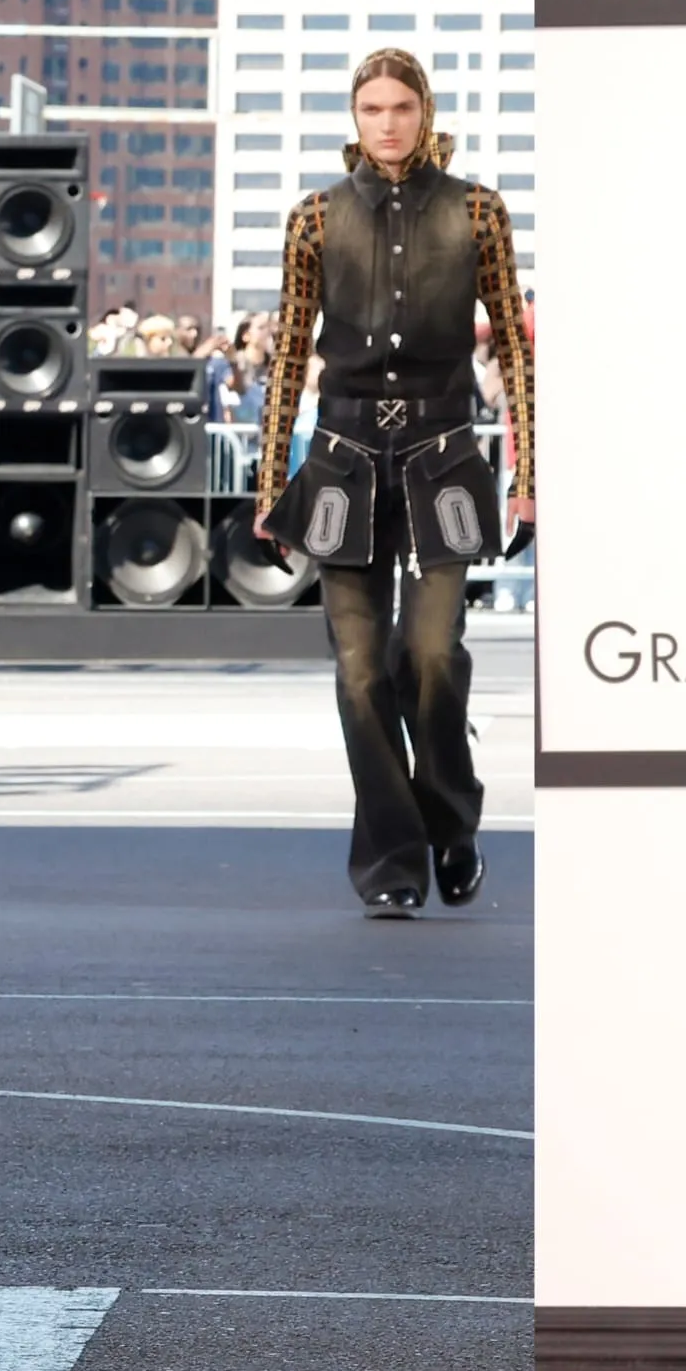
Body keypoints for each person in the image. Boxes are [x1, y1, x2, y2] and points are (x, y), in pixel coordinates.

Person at [254, 46, 534, 916]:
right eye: (371, 108)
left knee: (432, 652)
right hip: (340, 460)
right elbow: (290, 351)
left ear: (424, 111)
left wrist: (532, 472)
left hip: (445, 452)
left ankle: (452, 821)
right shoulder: (313, 219)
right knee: (359, 669)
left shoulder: (479, 212)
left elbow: (517, 346)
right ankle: (393, 861)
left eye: (400, 107)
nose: (386, 123)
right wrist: (271, 484)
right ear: (355, 115)